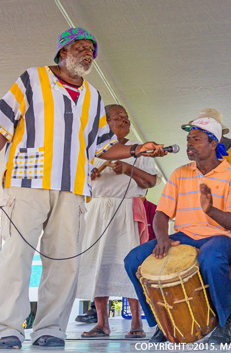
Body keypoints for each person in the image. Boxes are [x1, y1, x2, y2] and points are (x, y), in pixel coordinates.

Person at [0, 27, 165, 349]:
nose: (87, 53)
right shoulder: (32, 79)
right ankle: (5, 329)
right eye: (80, 47)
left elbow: (103, 147)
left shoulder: (92, 96)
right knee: (16, 254)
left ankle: (50, 328)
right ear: (62, 52)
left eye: (91, 49)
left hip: (72, 187)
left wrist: (137, 149)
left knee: (64, 260)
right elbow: (2, 122)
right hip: (27, 181)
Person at [124, 117, 231, 344]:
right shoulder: (180, 173)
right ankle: (161, 322)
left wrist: (210, 210)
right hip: (184, 236)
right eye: (188, 139)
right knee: (133, 260)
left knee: (211, 257)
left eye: (197, 139)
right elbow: (162, 214)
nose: (190, 144)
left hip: (222, 237)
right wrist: (162, 237)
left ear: (214, 143)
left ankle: (225, 321)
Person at [77, 104, 158, 339]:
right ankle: (102, 323)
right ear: (105, 123)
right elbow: (77, 183)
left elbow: (151, 182)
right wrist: (88, 178)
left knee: (130, 266)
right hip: (97, 211)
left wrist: (128, 168)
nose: (125, 121)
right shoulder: (91, 150)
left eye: (126, 117)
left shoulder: (141, 150)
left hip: (126, 212)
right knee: (97, 265)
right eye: (118, 118)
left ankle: (136, 323)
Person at [187, 108, 231, 333]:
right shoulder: (194, 150)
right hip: (199, 218)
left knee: (227, 252)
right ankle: (203, 314)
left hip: (227, 210)